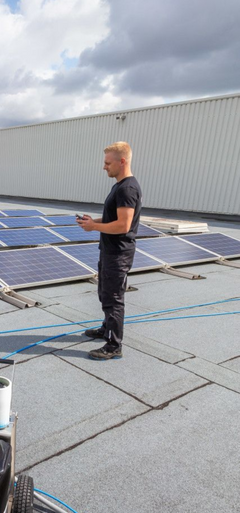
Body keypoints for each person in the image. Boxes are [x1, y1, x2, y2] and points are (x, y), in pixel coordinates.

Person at [77, 141, 142, 360]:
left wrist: (94, 227)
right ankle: (107, 329)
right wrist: (92, 221)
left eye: (107, 163)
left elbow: (123, 225)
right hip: (109, 251)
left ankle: (114, 346)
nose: (104, 167)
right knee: (105, 293)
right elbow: (113, 218)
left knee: (113, 298)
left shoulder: (127, 189)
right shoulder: (119, 186)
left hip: (118, 253)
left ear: (122, 161)